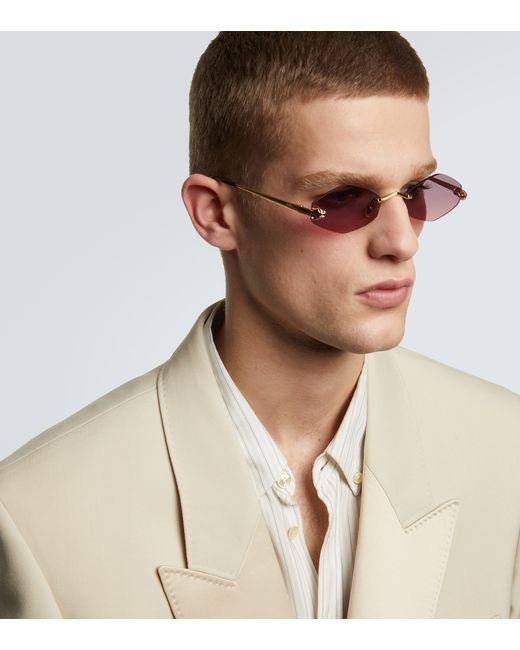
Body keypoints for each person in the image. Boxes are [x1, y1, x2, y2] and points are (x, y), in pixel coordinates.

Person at [0, 31, 519, 620]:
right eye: (344, 198)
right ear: (216, 213)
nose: (402, 241)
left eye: (417, 192)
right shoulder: (36, 520)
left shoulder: (508, 456)